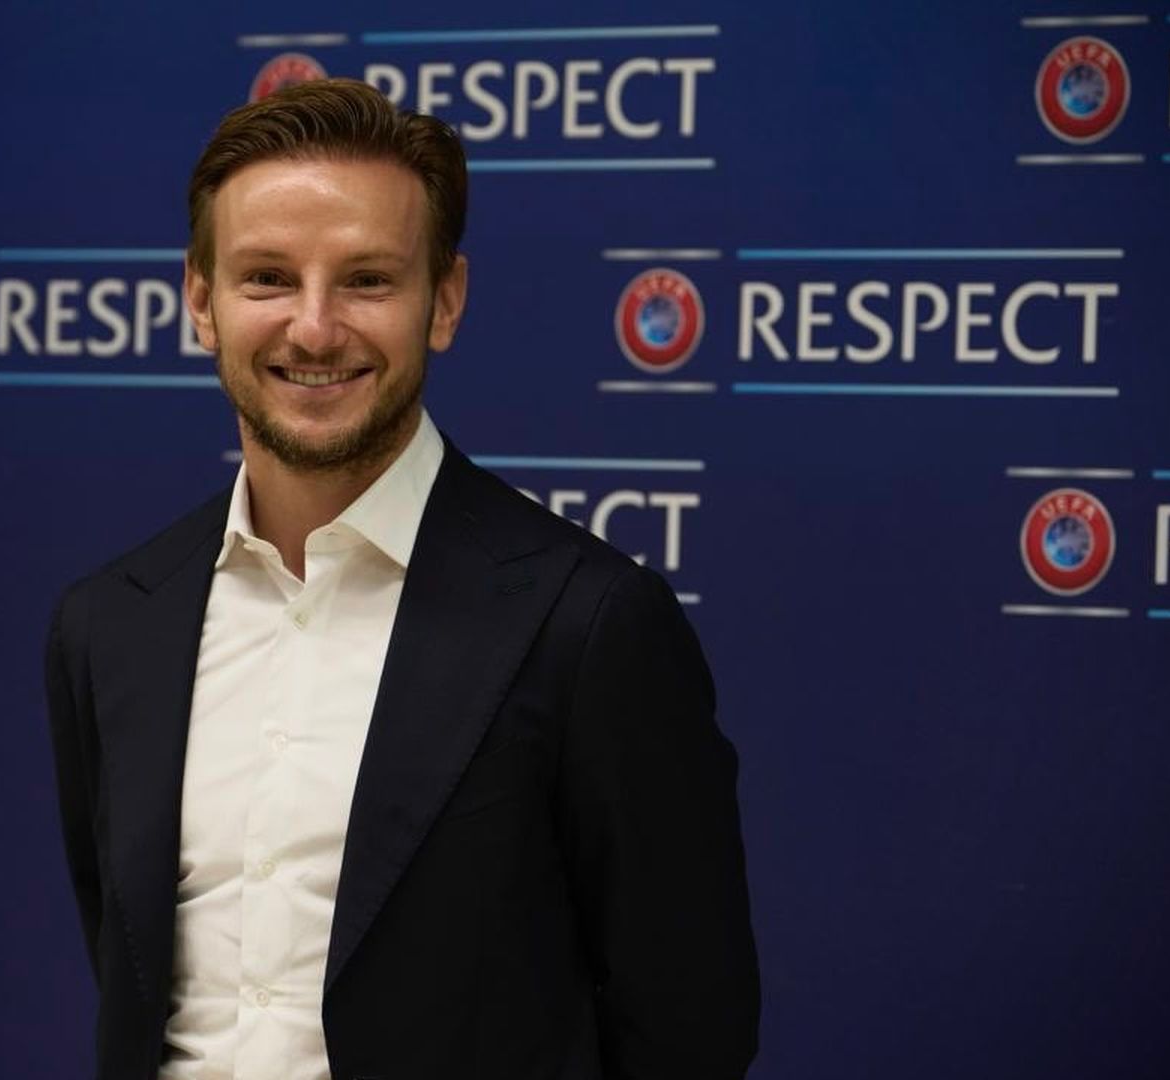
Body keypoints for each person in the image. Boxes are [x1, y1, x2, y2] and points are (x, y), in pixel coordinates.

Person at [44, 78, 759, 1080]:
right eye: (266, 278)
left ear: (447, 301)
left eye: (368, 280)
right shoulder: (107, 625)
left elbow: (689, 1032)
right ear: (200, 301)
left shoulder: (589, 626)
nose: (315, 326)